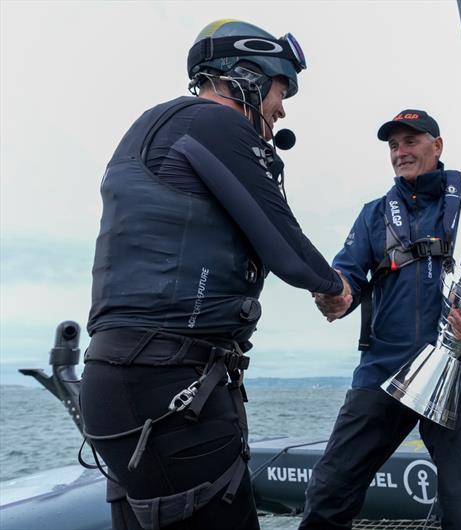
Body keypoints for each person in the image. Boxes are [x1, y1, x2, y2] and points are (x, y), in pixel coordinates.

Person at [79, 20, 350, 530]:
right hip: (172, 385)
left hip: (117, 380)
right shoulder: (213, 124)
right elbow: (286, 246)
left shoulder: (154, 125)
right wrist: (335, 287)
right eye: (280, 89)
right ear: (247, 75)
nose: (283, 108)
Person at [299, 110, 461, 530]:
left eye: (410, 141)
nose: (400, 152)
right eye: (393, 145)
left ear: (437, 146)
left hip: (459, 375)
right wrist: (335, 296)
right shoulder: (374, 214)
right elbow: (347, 274)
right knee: (329, 493)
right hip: (384, 372)